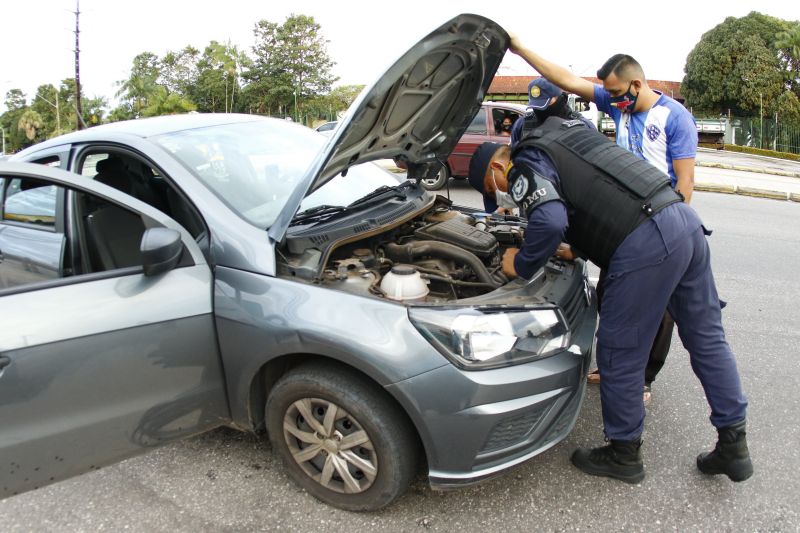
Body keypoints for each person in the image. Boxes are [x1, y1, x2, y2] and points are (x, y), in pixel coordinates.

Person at [466, 92, 751, 485]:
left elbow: (548, 221)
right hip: (682, 219)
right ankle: (734, 444)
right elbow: (598, 197)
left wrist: (524, 261)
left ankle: (623, 453)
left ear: (498, 163)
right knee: (707, 338)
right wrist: (574, 245)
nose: (500, 195)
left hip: (646, 243)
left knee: (620, 351)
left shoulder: (525, 157)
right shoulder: (571, 132)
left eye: (491, 184)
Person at [508, 44, 700, 402]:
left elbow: (685, 184)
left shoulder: (675, 118)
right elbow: (565, 79)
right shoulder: (618, 103)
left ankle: (642, 378)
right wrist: (519, 49)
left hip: (660, 225)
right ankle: (614, 366)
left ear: (637, 85)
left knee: (657, 309)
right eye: (608, 94)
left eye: (614, 92)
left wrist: (667, 235)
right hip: (623, 223)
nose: (609, 100)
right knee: (612, 297)